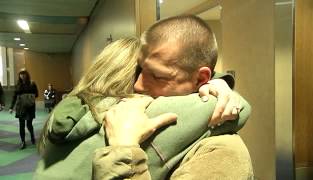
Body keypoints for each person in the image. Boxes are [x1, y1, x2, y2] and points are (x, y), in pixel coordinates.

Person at [35, 37, 252, 179]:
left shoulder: (72, 113)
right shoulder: (138, 120)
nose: (141, 85)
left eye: (156, 75)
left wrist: (219, 81)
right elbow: (230, 109)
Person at [9, 69, 38, 150]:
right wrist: (11, 107)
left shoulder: (32, 83)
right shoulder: (18, 84)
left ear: (27, 75)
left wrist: (27, 98)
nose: (22, 76)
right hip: (20, 107)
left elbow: (36, 94)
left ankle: (32, 137)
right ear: (19, 75)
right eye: (21, 74)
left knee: (29, 124)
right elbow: (14, 96)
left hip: (30, 107)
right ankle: (23, 142)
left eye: (24, 74)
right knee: (21, 125)